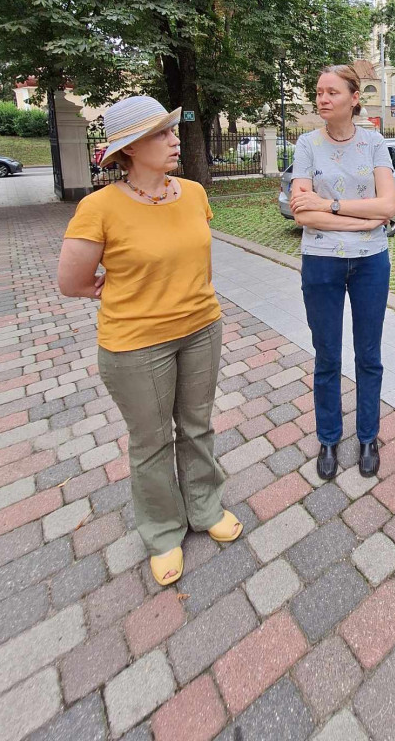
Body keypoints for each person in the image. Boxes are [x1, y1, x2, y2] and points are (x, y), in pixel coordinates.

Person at [58, 96, 242, 587]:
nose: (174, 139)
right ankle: (163, 531)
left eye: (172, 130)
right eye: (161, 133)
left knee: (197, 426)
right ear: (131, 148)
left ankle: (204, 507)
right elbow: (71, 280)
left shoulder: (193, 192)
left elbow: (194, 259)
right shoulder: (98, 207)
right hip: (136, 345)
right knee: (152, 440)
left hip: (201, 327)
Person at [290, 65, 395, 481]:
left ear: (355, 98)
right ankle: (329, 437)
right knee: (327, 356)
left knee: (369, 355)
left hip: (371, 261)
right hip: (320, 261)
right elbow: (301, 212)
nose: (322, 98)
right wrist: (360, 219)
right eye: (318, 92)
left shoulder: (374, 141)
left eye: (332, 91)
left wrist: (329, 207)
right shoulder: (306, 144)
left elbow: (388, 207)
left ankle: (369, 435)